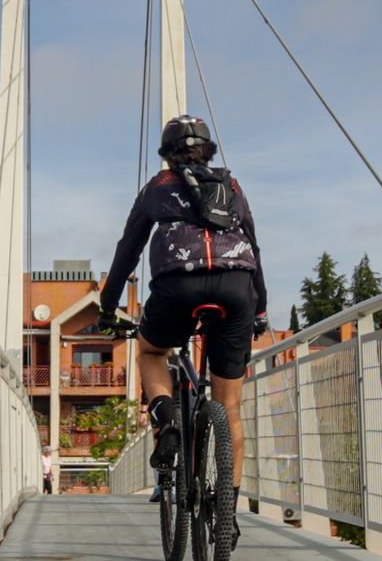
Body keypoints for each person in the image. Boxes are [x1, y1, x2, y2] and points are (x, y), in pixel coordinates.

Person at [99, 115, 267, 543]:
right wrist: (260, 308)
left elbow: (128, 250)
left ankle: (164, 414)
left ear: (167, 154)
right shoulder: (232, 187)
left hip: (178, 286)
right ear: (208, 151)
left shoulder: (158, 187)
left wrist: (107, 305)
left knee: (152, 351)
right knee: (229, 405)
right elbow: (254, 245)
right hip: (237, 287)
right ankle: (227, 515)